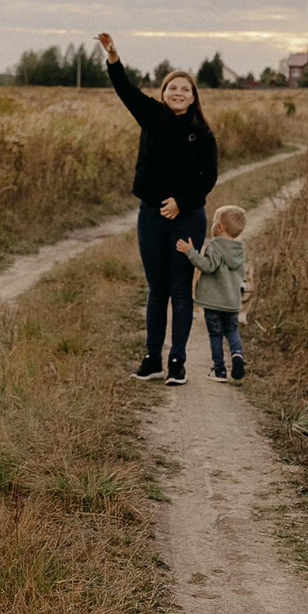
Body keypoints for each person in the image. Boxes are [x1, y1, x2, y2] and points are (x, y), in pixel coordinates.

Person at [95, 31, 217, 385]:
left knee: (181, 288)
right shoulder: (151, 116)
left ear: (193, 97)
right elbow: (125, 90)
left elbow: (208, 178)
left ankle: (177, 361)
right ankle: (153, 359)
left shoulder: (203, 133)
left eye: (185, 89)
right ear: (163, 93)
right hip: (150, 215)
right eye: (172, 88)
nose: (178, 93)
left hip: (188, 217)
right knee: (156, 288)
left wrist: (181, 203)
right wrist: (113, 57)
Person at [179, 205, 249, 380]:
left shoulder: (215, 245)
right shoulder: (240, 250)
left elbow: (207, 266)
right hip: (232, 301)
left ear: (220, 227)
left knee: (216, 335)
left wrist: (190, 253)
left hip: (214, 301)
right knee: (232, 330)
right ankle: (237, 355)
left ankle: (220, 370)